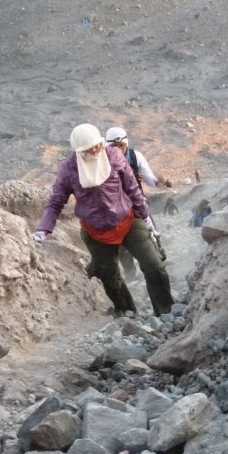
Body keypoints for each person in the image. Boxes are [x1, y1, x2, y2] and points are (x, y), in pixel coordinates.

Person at [32, 123, 173, 316]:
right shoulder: (69, 169)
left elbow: (132, 188)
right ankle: (127, 312)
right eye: (90, 148)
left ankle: (165, 312)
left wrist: (146, 216)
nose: (97, 150)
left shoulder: (113, 156)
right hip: (96, 231)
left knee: (154, 265)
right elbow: (56, 201)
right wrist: (43, 229)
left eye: (98, 145)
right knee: (108, 274)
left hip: (128, 220)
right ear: (80, 150)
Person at [105, 126, 171, 275]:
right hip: (114, 209)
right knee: (120, 243)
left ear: (126, 144)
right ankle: (130, 273)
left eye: (121, 145)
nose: (118, 149)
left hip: (137, 203)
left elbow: (148, 177)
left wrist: (158, 181)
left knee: (152, 232)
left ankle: (160, 262)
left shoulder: (135, 156)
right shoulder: (102, 160)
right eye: (114, 146)